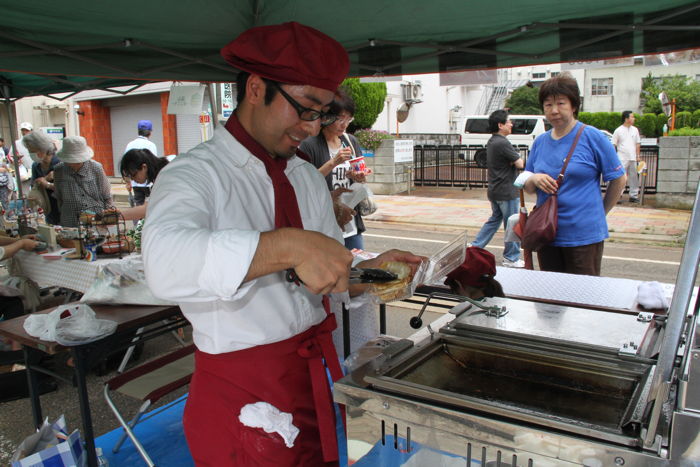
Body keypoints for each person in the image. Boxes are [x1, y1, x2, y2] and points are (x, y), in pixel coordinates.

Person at [142, 22, 424, 467]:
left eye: (322, 114)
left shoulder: (302, 178)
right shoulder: (193, 174)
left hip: (313, 379)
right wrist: (288, 246)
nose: (311, 128)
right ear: (256, 88)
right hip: (243, 395)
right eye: (305, 109)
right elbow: (164, 263)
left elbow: (324, 276)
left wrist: (371, 272)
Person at [523, 74, 626, 276]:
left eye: (561, 103)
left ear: (574, 106)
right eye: (548, 104)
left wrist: (601, 211)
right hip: (546, 233)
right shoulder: (540, 142)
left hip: (584, 235)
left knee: (583, 298)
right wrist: (533, 178)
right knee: (552, 297)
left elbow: (619, 178)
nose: (554, 110)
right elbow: (527, 187)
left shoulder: (592, 136)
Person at [299, 88, 369, 250]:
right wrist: (333, 162)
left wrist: (359, 176)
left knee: (356, 267)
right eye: (339, 119)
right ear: (326, 117)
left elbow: (361, 177)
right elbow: (305, 181)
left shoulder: (350, 141)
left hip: (350, 220)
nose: (344, 125)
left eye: (348, 119)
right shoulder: (309, 144)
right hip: (325, 222)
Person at [470, 109, 524, 268]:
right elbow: (520, 163)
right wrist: (515, 158)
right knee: (513, 224)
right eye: (509, 122)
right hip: (507, 190)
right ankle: (511, 258)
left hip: (495, 189)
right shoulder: (502, 142)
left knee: (494, 220)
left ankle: (475, 247)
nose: (511, 124)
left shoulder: (492, 141)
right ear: (500, 125)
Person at [52, 136, 114, 227]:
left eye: (77, 161)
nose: (73, 163)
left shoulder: (96, 168)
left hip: (95, 219)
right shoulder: (59, 170)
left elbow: (107, 195)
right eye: (70, 160)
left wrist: (108, 218)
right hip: (69, 220)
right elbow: (59, 197)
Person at [118, 148, 168, 220]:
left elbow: (147, 209)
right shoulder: (159, 174)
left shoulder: (164, 176)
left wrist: (116, 216)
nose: (133, 179)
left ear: (144, 167)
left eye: (133, 175)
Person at [22, 131, 61, 224]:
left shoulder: (60, 163)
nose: (31, 153)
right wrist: (46, 178)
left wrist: (46, 184)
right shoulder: (36, 165)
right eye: (29, 151)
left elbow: (65, 189)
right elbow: (34, 185)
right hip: (47, 208)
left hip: (62, 208)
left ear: (43, 148)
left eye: (33, 150)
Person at [124, 120, 158, 206]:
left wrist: (128, 182)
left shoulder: (130, 145)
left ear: (138, 131)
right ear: (150, 132)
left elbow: (125, 165)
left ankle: (137, 219)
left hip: (135, 182)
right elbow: (154, 164)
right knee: (150, 207)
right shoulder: (151, 145)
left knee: (138, 204)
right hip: (148, 183)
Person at [612, 110, 641, 203]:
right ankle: (618, 195)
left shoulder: (635, 130)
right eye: (632, 117)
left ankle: (634, 195)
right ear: (626, 119)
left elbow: (637, 143)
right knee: (621, 177)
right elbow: (614, 144)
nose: (633, 118)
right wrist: (613, 157)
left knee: (634, 177)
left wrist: (638, 155)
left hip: (632, 157)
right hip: (622, 157)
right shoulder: (618, 130)